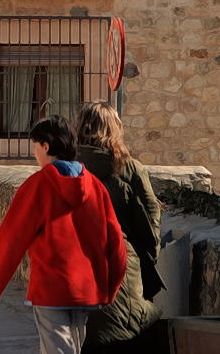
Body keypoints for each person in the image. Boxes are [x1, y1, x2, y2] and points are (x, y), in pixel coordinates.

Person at [0, 115, 127, 354]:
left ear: (46, 146)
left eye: (35, 146)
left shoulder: (37, 186)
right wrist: (109, 289)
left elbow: (12, 239)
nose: (34, 153)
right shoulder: (95, 187)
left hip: (51, 288)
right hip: (87, 290)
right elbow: (116, 242)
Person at [75, 102, 164, 354]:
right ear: (114, 129)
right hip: (122, 263)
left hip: (73, 268)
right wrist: (147, 259)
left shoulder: (62, 169)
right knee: (128, 329)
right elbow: (149, 218)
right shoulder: (129, 168)